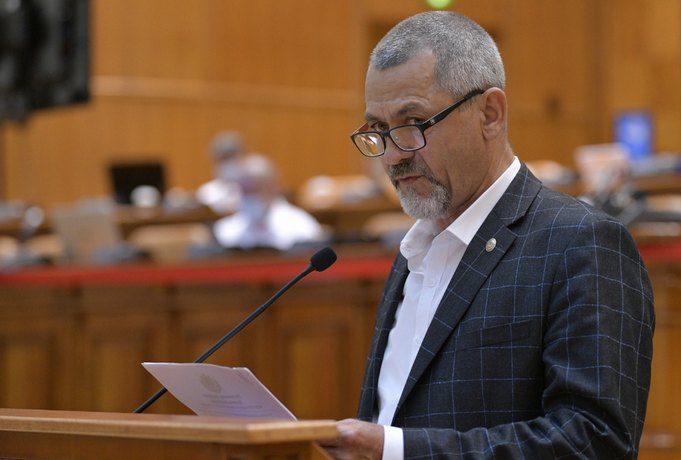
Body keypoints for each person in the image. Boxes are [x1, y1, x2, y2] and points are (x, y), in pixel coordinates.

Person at [321, 11, 656, 459]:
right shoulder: (413, 252)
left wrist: (397, 451)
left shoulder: (582, 243)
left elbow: (595, 441)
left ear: (490, 114)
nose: (393, 157)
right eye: (379, 130)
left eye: (412, 123)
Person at [212, 153, 326, 250]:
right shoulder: (225, 231)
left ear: (272, 187)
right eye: (244, 192)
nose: (249, 198)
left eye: (254, 190)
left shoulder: (301, 226)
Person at [196, 130, 247, 214]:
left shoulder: (252, 189)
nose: (227, 165)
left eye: (231, 158)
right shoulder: (207, 192)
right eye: (222, 159)